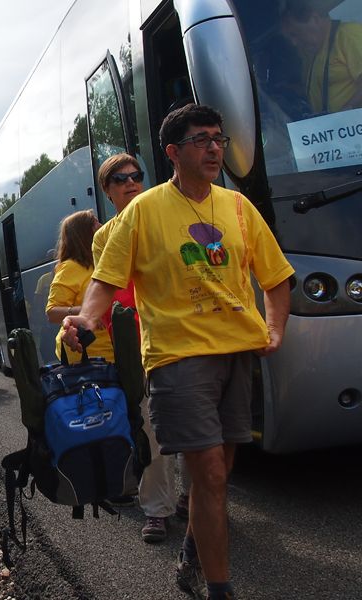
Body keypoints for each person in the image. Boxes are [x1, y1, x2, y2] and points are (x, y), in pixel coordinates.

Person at [63, 104, 293, 600]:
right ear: (173, 152)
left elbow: (276, 279)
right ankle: (219, 589)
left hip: (237, 352)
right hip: (176, 357)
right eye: (201, 139)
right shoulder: (143, 213)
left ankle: (192, 550)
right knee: (208, 472)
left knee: (220, 474)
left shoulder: (238, 207)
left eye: (218, 138)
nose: (214, 147)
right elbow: (105, 282)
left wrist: (274, 331)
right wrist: (84, 318)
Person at [93, 153, 191, 544]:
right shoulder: (105, 237)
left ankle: (192, 498)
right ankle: (156, 509)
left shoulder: (170, 215)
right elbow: (108, 292)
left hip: (183, 334)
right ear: (108, 190)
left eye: (137, 176)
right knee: (149, 429)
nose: (131, 182)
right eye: (120, 178)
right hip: (137, 344)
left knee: (194, 427)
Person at [45, 210, 114, 365]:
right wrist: (85, 312)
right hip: (87, 355)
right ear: (84, 232)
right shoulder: (70, 268)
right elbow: (52, 313)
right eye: (95, 222)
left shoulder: (102, 260)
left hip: (114, 350)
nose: (101, 225)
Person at [280, 0, 362, 113]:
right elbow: (319, 89)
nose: (294, 43)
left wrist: (346, 111)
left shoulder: (348, 34)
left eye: (295, 34)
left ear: (315, 19)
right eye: (290, 38)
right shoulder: (310, 54)